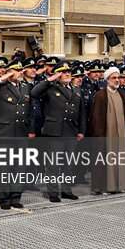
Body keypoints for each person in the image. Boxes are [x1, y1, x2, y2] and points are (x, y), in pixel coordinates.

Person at [0, 59, 35, 209]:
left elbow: (30, 111)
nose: (20, 73)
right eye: (17, 70)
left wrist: (31, 130)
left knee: (19, 167)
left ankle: (15, 197)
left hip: (21, 132)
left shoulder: (24, 86)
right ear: (10, 72)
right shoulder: (0, 86)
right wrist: (1, 79)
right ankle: (4, 199)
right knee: (4, 168)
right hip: (4, 133)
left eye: (21, 70)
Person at [30, 61, 86, 202]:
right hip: (55, 131)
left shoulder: (76, 89)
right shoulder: (51, 87)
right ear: (57, 74)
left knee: (68, 163)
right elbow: (34, 93)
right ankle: (53, 192)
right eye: (63, 72)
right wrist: (49, 80)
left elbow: (82, 112)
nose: (67, 74)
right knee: (53, 164)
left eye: (68, 72)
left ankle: (66, 190)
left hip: (71, 130)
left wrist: (81, 130)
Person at [87, 66, 125, 193]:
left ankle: (121, 185)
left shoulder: (122, 94)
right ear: (107, 80)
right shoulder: (101, 95)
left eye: (118, 77)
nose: (117, 80)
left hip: (122, 134)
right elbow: (96, 119)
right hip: (106, 134)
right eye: (114, 78)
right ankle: (105, 187)